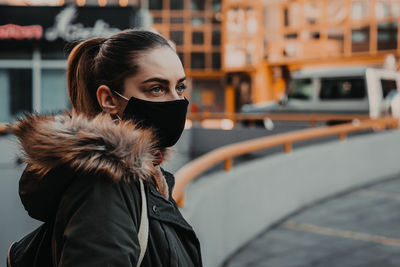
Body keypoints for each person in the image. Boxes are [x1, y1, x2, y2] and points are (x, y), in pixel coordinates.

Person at [14, 30, 202, 266]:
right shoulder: (105, 185)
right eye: (157, 88)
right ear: (109, 100)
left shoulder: (147, 176)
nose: (176, 100)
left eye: (180, 87)